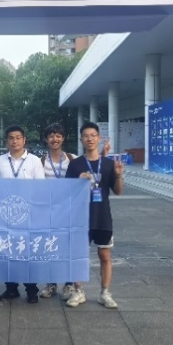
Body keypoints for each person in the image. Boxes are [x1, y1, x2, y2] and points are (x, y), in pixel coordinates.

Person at [65, 121, 124, 309]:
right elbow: (66, 193)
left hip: (102, 217)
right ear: (81, 140)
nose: (89, 139)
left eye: (93, 135)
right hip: (80, 218)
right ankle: (78, 291)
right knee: (78, 256)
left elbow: (118, 191)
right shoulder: (75, 165)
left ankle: (104, 293)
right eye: (86, 136)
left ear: (99, 138)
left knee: (104, 255)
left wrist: (118, 175)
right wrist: (78, 182)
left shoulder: (108, 164)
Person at [0, 125, 46, 303]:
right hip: (5, 214)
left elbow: (40, 188)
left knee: (28, 252)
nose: (14, 141)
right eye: (11, 138)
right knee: (8, 253)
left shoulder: (34, 161)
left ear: (24, 140)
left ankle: (31, 289)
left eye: (18, 137)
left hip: (28, 214)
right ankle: (11, 288)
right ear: (6, 141)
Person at [38, 123, 77, 301]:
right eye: (51, 136)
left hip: (68, 211)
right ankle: (51, 283)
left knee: (68, 248)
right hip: (48, 212)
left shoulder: (73, 159)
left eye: (58, 135)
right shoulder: (40, 162)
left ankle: (68, 284)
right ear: (46, 139)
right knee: (50, 247)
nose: (55, 139)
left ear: (63, 138)